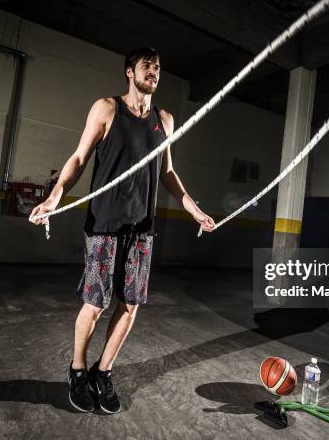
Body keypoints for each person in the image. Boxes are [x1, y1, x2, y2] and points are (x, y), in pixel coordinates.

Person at [29, 47, 215, 414]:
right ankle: (79, 369)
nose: (154, 71)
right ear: (130, 72)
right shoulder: (107, 109)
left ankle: (104, 371)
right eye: (147, 65)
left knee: (130, 305)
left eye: (159, 67)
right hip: (105, 225)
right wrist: (54, 197)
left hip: (142, 228)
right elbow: (80, 157)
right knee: (95, 303)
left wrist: (192, 208)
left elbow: (167, 171)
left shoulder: (165, 119)